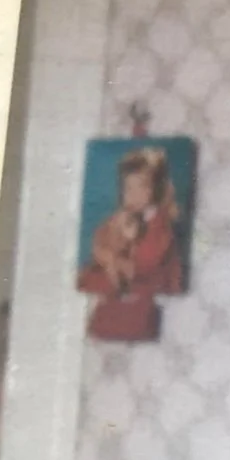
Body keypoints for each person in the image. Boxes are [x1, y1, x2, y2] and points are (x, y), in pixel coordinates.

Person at [78, 143, 184, 342]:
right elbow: (100, 242)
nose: (133, 195)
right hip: (121, 283)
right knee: (89, 278)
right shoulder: (120, 218)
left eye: (141, 187)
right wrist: (109, 252)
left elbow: (147, 263)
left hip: (148, 283)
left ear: (156, 189)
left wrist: (124, 248)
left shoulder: (160, 224)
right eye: (128, 188)